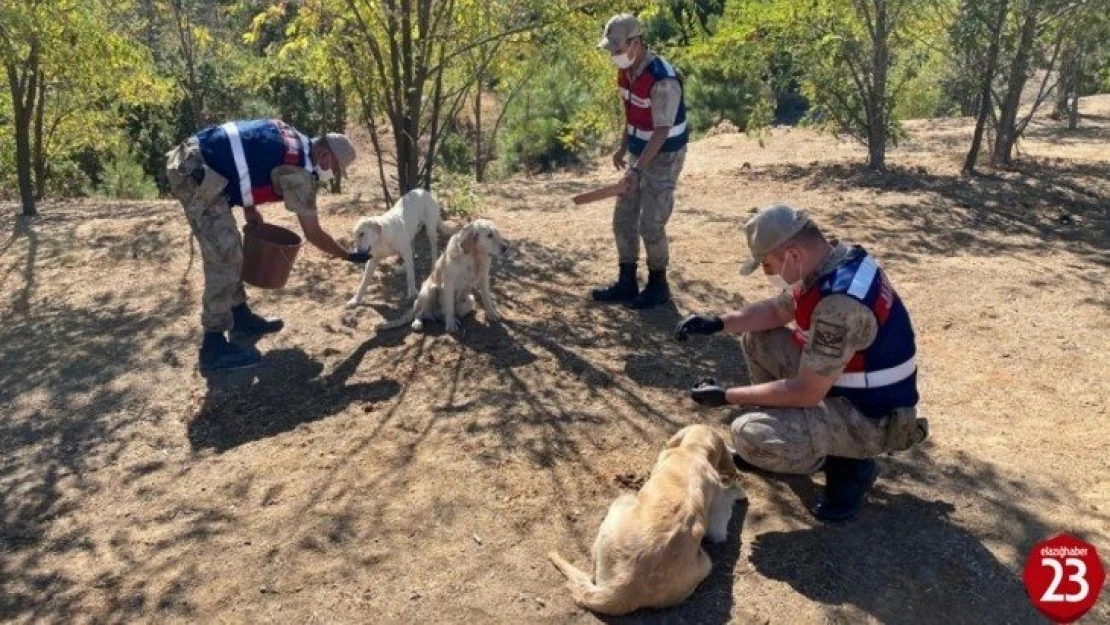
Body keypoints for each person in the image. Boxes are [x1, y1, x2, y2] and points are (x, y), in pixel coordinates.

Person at [674, 204, 928, 522]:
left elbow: (807, 391)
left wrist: (727, 396)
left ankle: (850, 466)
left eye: (768, 265)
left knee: (750, 434)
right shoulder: (833, 259)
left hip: (868, 418)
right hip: (844, 388)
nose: (768, 274)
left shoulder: (840, 305)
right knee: (757, 338)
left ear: (793, 254)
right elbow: (781, 310)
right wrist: (718, 322)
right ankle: (803, 438)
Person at [165, 118, 371, 374]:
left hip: (197, 160)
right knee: (225, 256)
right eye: (336, 169)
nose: (332, 175)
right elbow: (314, 232)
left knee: (232, 250)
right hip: (194, 171)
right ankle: (213, 345)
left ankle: (240, 318)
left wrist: (250, 210)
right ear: (325, 154)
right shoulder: (300, 172)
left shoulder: (292, 137)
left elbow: (247, 159)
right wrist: (347, 255)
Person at [592, 13, 689, 309]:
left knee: (651, 222)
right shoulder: (627, 72)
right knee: (623, 217)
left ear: (636, 43)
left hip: (665, 154)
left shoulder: (663, 79)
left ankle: (658, 285)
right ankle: (627, 281)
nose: (613, 55)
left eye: (617, 49)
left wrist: (636, 168)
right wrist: (623, 148)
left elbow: (661, 131)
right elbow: (632, 113)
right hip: (639, 151)